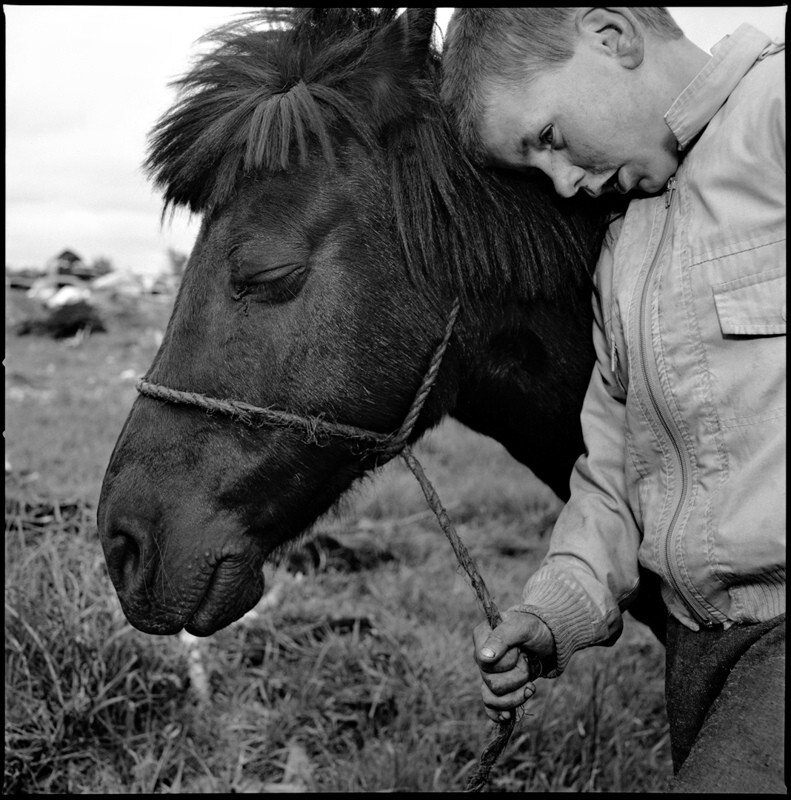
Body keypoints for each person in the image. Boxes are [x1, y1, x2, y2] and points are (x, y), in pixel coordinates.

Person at [441, 8, 785, 793]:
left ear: (610, 36)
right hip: (704, 647)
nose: (564, 183)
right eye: (538, 173)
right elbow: (613, 472)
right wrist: (552, 612)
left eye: (550, 139)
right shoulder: (622, 253)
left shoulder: (774, 109)